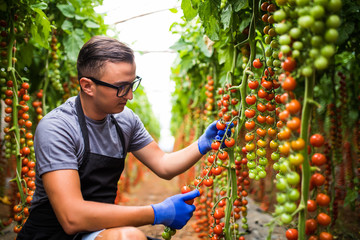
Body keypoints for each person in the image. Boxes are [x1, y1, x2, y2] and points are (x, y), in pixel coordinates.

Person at [16, 36, 230, 240]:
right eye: (121, 87)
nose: (130, 96)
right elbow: (72, 217)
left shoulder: (125, 120)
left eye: (132, 84)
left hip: (96, 231)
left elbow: (164, 165)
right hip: (51, 233)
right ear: (87, 86)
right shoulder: (58, 127)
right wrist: (156, 213)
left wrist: (203, 144)